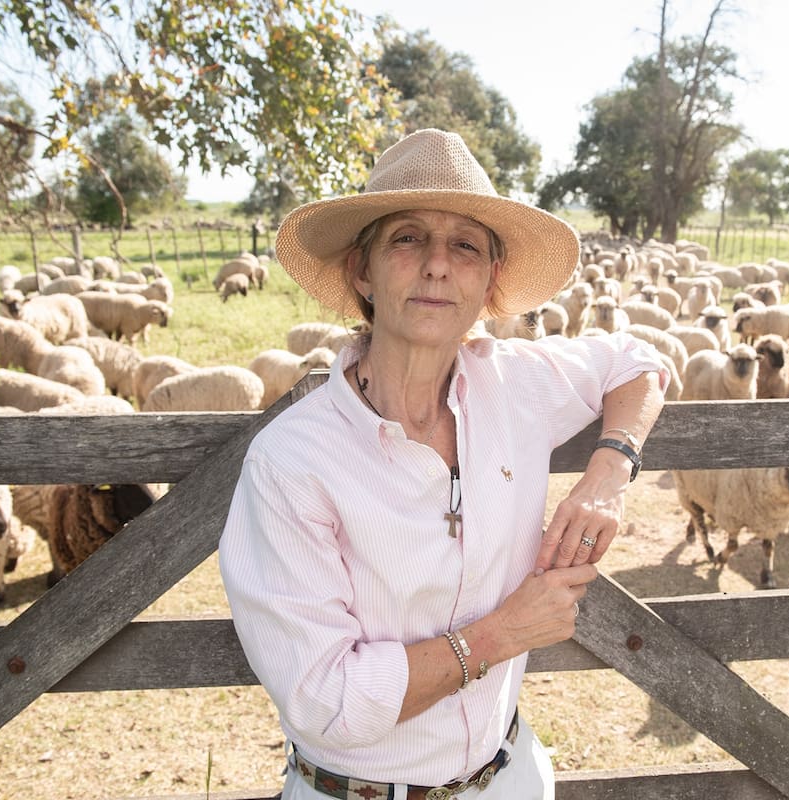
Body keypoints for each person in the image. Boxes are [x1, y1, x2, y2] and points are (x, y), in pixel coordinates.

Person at [219, 128, 666, 800]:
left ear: (490, 282)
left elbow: (640, 362)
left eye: (465, 246)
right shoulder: (290, 464)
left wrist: (608, 475)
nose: (437, 265)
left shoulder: (514, 387)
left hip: (510, 777)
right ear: (361, 272)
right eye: (406, 238)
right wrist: (502, 633)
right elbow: (324, 701)